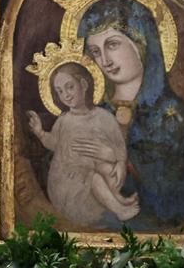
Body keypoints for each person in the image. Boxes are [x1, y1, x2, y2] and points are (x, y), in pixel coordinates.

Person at [77, 0, 184, 230]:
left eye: (112, 45)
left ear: (141, 42)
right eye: (95, 51)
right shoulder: (93, 115)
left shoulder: (177, 119)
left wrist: (125, 160)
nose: (105, 60)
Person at [27, 63, 139, 226]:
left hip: (91, 174)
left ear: (84, 85)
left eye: (69, 87)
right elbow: (53, 143)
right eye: (60, 91)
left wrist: (120, 162)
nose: (65, 95)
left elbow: (118, 145)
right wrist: (40, 132)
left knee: (106, 168)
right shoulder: (64, 120)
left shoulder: (104, 117)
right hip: (67, 184)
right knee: (93, 177)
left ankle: (118, 199)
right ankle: (119, 210)